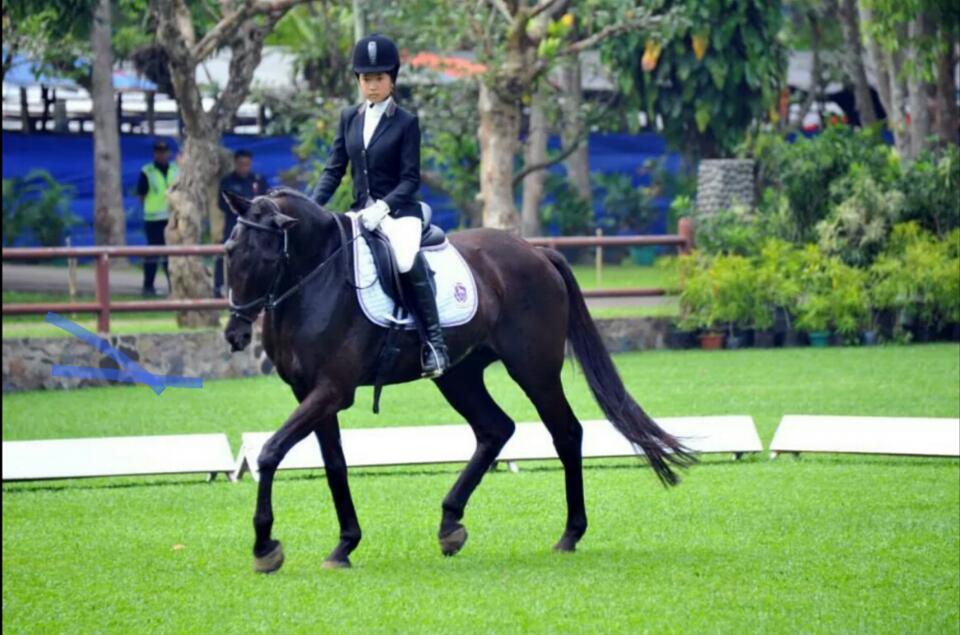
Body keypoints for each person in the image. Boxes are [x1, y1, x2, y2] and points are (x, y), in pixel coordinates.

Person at [311, 33, 449, 377]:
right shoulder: (349, 117)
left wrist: (383, 207)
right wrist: (310, 207)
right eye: (365, 79)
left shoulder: (406, 122)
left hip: (399, 213)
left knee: (404, 258)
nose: (372, 86)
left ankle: (434, 343)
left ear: (392, 79)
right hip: (360, 211)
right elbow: (334, 170)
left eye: (378, 78)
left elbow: (410, 180)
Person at [214, 149, 269, 298]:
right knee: (227, 252)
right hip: (234, 224)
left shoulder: (257, 180)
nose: (244, 168)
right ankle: (219, 286)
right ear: (235, 163)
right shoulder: (227, 181)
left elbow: (266, 200)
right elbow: (221, 204)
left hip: (255, 226)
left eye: (247, 164)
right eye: (241, 164)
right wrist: (240, 209)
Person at [136, 139, 177, 297]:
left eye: (164, 152)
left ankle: (174, 288)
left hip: (172, 219)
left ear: (168, 153)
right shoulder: (147, 171)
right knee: (153, 254)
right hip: (153, 219)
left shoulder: (176, 169)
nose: (161, 155)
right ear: (154, 154)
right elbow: (141, 195)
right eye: (158, 152)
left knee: (171, 255)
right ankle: (148, 287)